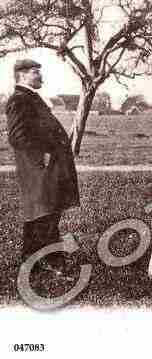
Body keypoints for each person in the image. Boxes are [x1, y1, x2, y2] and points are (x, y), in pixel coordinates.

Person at [5, 59, 80, 274]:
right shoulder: (20, 100)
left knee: (39, 214)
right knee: (46, 215)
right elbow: (17, 136)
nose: (40, 76)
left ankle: (30, 262)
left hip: (42, 169)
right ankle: (55, 262)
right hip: (40, 170)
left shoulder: (29, 98)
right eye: (35, 72)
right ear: (22, 75)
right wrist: (43, 156)